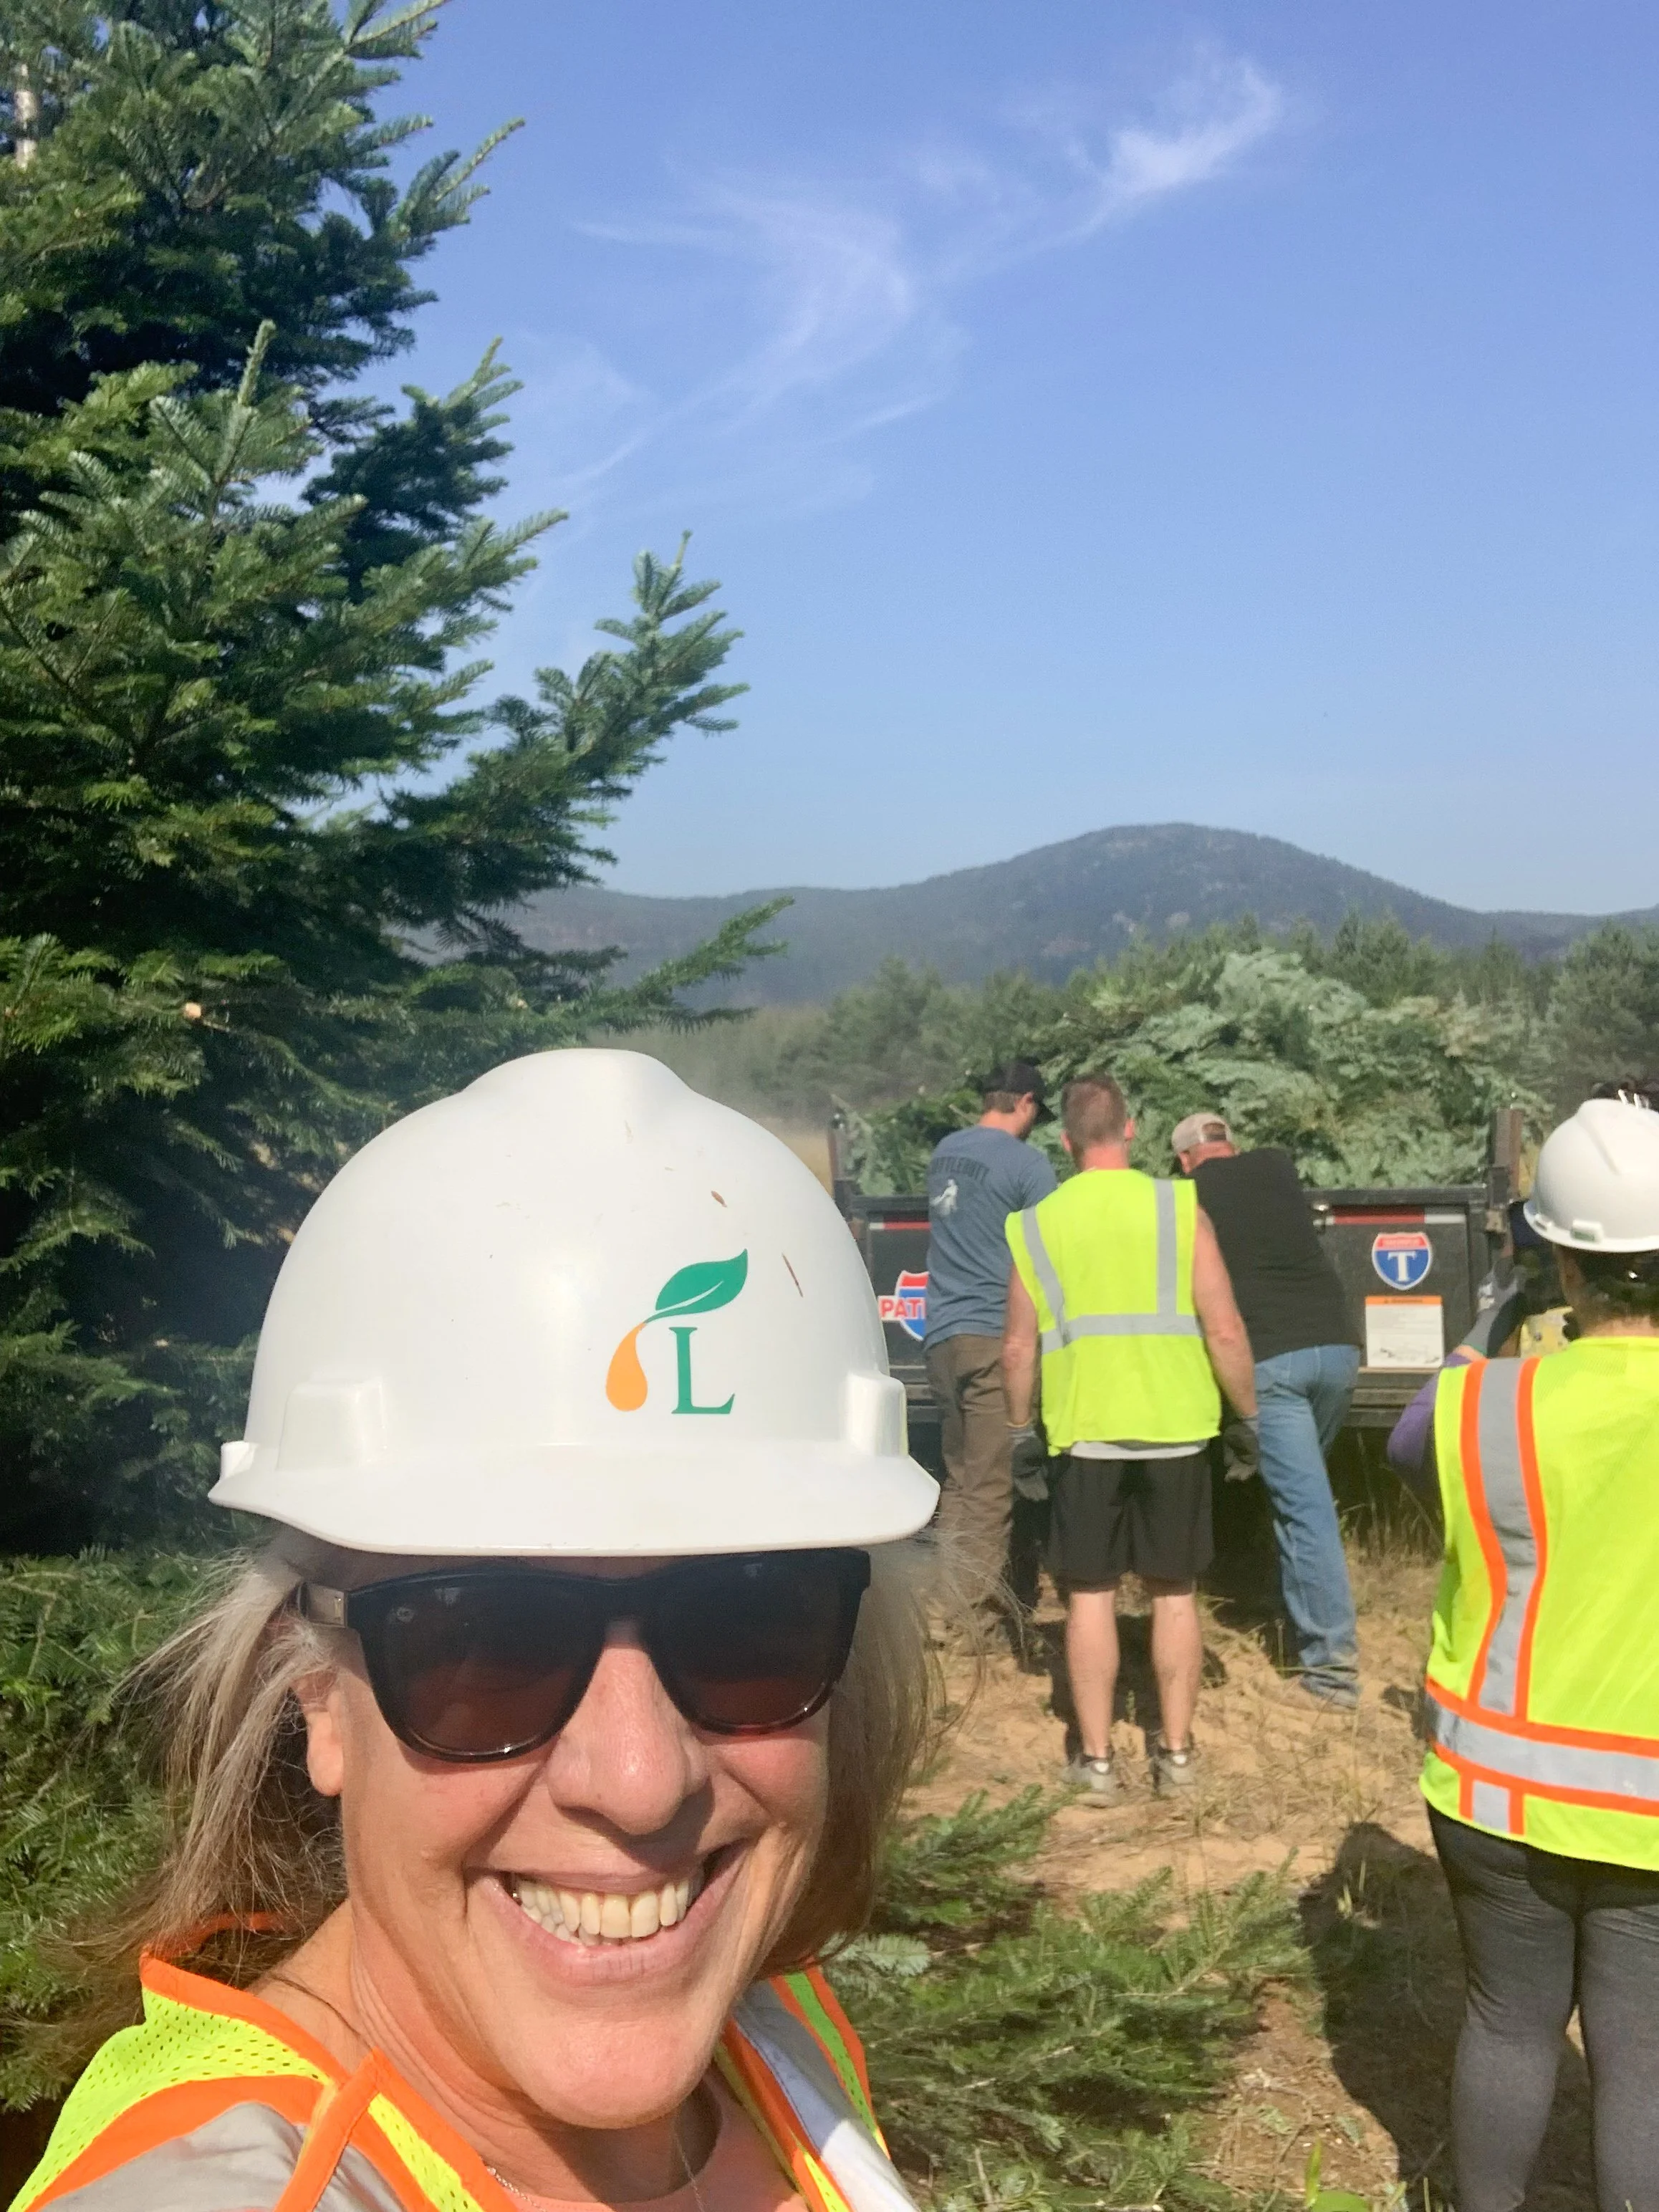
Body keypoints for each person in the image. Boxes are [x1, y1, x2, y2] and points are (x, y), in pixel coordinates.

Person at [13, 1050, 941, 2212]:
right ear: (318, 1698)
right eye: (486, 1644)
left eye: (748, 1618)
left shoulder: (773, 2033)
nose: (643, 1782)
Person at [1409, 1093, 1659, 2212]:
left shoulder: (1481, 1406)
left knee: (1508, 2024)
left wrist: (1493, 1312)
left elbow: (1414, 1435)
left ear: (1558, 1263)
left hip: (1493, 1787)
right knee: (1643, 2055)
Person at [1001, 1074, 1257, 1804]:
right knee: (1175, 1593)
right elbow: (1226, 1327)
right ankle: (1176, 1757)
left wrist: (1021, 1430)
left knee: (1089, 1594)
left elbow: (1017, 1350)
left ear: (1064, 1141)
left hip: (1085, 1435)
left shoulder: (1038, 1224)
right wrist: (1247, 1416)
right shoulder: (1179, 1207)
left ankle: (1097, 1761)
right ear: (1133, 1130)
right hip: (1178, 1428)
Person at [1170, 1112, 1363, 1708]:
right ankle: (1286, 1598)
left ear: (1183, 1160)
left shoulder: (1183, 1198)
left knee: (1302, 1510)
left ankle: (1331, 1675)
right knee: (1302, 1494)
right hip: (1336, 1350)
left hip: (1272, 1360)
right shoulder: (1278, 1166)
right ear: (1231, 1144)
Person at [923, 1059, 1057, 1617]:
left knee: (959, 1480)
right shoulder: (1029, 1165)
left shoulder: (944, 1152)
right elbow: (1053, 1251)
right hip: (991, 1335)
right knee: (990, 1487)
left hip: (941, 1337)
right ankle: (954, 1616)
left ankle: (936, 1600)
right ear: (1025, 1102)